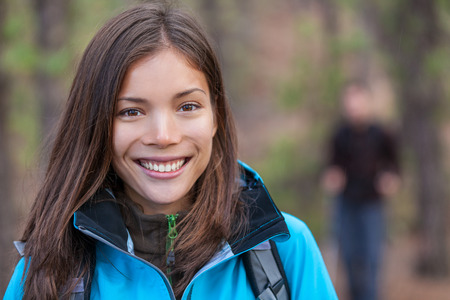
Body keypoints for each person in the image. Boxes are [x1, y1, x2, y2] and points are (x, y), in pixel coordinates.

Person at [4, 3, 337, 299]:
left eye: (188, 106)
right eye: (131, 111)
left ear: (216, 116)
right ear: (96, 126)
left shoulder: (286, 250)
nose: (163, 136)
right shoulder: (51, 267)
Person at [322, 81, 400, 300]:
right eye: (349, 102)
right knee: (349, 257)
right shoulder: (340, 134)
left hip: (372, 204)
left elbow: (394, 166)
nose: (353, 107)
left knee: (372, 258)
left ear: (367, 102)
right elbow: (332, 166)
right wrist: (333, 177)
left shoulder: (382, 133)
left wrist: (390, 179)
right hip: (346, 203)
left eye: (357, 101)